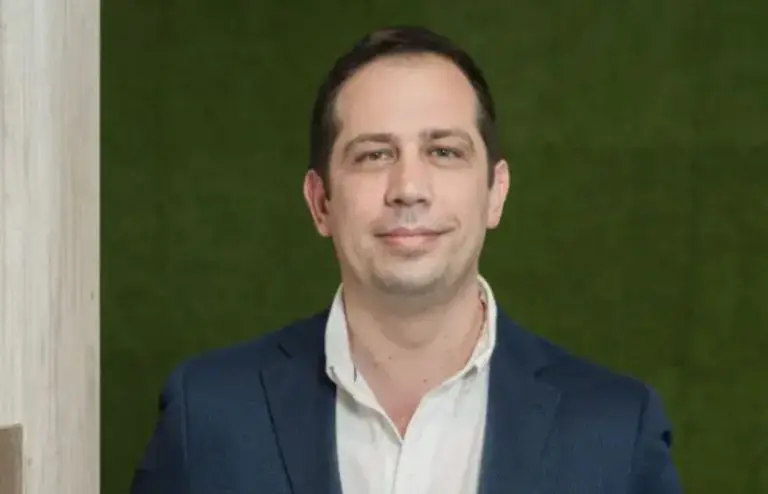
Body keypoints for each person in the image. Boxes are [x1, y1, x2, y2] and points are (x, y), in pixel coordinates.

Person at [130, 26, 682, 494]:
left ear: (495, 193)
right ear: (320, 203)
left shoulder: (616, 431)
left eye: (444, 151)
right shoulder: (208, 415)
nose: (409, 188)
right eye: (374, 155)